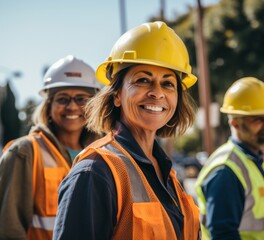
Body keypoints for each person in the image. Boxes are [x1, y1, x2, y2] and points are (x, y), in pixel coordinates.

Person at [53, 21, 200, 240]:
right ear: (117, 95)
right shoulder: (95, 172)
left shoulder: (168, 173)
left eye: (168, 83)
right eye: (143, 80)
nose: (157, 93)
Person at [0, 55, 101, 239]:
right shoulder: (24, 153)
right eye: (62, 99)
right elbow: (6, 230)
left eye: (81, 99)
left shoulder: (103, 153)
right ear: (48, 106)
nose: (72, 107)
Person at [195, 77, 264, 240]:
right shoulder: (225, 170)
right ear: (235, 123)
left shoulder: (256, 160)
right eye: (258, 118)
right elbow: (223, 235)